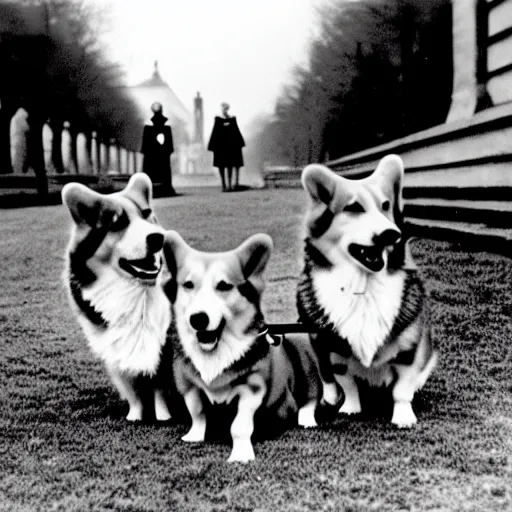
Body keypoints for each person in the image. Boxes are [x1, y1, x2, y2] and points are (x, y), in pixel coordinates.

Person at [207, 102, 245, 192]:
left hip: (230, 148)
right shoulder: (218, 119)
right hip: (220, 149)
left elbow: (236, 133)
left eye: (226, 108)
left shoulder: (232, 119)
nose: (224, 110)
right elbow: (215, 133)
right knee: (221, 167)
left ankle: (229, 184)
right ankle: (224, 185)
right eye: (223, 108)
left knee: (230, 166)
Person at [141, 102, 175, 196]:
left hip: (152, 157)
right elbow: (170, 147)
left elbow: (145, 147)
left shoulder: (148, 129)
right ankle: (165, 187)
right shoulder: (166, 129)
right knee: (164, 172)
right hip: (162, 157)